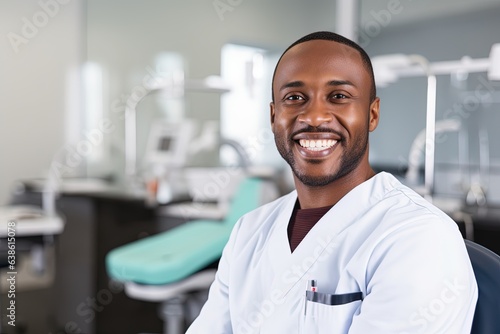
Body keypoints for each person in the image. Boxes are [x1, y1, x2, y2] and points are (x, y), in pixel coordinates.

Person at [186, 31, 477, 333]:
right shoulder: (249, 232)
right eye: (294, 98)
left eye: (338, 97)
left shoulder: (417, 238)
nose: (314, 117)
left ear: (372, 114)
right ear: (274, 116)